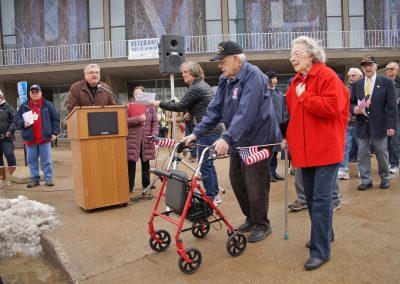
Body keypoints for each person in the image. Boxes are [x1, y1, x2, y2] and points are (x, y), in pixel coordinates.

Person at [184, 41, 280, 243]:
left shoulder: (255, 76)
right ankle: (251, 218)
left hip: (258, 139)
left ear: (236, 59)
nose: (220, 65)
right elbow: (215, 110)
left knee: (255, 185)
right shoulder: (225, 80)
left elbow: (247, 112)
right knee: (237, 181)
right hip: (239, 139)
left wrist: (227, 137)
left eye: (223, 61)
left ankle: (262, 224)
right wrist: (196, 133)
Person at [286, 36, 349, 270]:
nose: (292, 57)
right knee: (312, 199)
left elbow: (332, 109)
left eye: (297, 53)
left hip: (325, 149)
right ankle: (325, 234)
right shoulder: (295, 82)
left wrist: (306, 97)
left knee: (321, 200)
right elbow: (295, 116)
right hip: (305, 150)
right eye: (291, 54)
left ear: (311, 54)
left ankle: (320, 250)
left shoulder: (327, 76)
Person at [151, 61, 223, 202]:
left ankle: (211, 196)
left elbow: (179, 106)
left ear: (193, 72)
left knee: (205, 165)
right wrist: (189, 113)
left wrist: (157, 103)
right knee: (208, 164)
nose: (182, 75)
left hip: (208, 130)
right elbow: (198, 104)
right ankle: (214, 193)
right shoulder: (201, 84)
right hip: (210, 129)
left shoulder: (196, 87)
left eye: (185, 72)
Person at [350, 55, 397, 190]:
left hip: (380, 124)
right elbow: (351, 103)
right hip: (361, 124)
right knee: (363, 154)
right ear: (362, 68)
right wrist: (354, 109)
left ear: (376, 66)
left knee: (381, 152)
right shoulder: (356, 84)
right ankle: (366, 180)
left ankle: (385, 178)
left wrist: (391, 125)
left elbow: (392, 106)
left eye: (370, 65)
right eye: (365, 65)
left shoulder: (386, 82)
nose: (368, 67)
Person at [15, 84, 60, 188]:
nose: (35, 94)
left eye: (37, 92)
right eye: (33, 92)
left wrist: (55, 133)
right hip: (30, 139)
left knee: (47, 160)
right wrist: (23, 123)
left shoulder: (48, 105)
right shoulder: (24, 106)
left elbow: (55, 119)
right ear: (30, 94)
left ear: (41, 93)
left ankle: (48, 178)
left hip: (44, 138)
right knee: (31, 161)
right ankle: (34, 179)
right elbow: (17, 118)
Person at [127, 86, 158, 193]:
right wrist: (138, 119)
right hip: (133, 139)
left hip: (146, 139)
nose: (138, 96)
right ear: (133, 95)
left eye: (140, 94)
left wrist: (154, 134)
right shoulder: (128, 106)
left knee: (146, 163)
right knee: (130, 163)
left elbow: (155, 123)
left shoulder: (150, 107)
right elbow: (125, 121)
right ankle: (129, 186)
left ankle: (146, 184)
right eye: (136, 94)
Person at [338, 67, 364, 180]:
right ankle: (343, 169)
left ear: (360, 77)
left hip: (361, 122)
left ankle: (362, 169)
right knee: (344, 146)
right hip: (347, 123)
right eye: (350, 76)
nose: (351, 77)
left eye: (354, 75)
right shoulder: (344, 88)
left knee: (362, 147)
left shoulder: (365, 87)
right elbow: (341, 104)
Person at [265, 70, 285, 182]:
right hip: (268, 127)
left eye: (276, 78)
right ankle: (268, 174)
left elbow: (282, 111)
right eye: (273, 78)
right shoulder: (265, 93)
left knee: (276, 151)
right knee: (269, 152)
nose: (275, 80)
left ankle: (273, 172)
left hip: (278, 127)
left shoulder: (279, 93)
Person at [385, 62, 400, 174]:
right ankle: (389, 162)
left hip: (397, 117)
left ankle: (394, 164)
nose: (389, 71)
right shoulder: (383, 83)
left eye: (392, 69)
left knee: (394, 141)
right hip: (385, 116)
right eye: (388, 69)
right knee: (386, 142)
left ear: (397, 70)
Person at [0, 89, 17, 184]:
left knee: (9, 154)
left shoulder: (9, 108)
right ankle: (1, 175)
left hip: (6, 137)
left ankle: (13, 174)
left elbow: (14, 121)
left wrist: (10, 131)